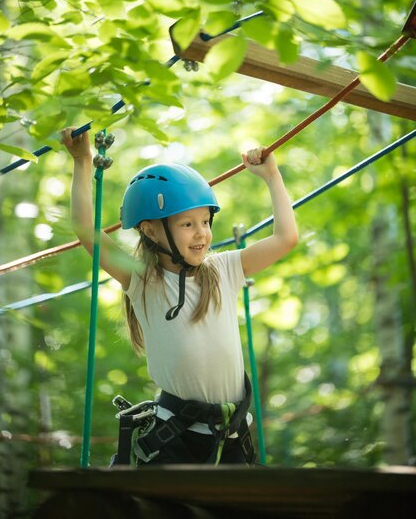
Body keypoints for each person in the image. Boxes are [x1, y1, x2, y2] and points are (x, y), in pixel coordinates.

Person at [61, 127, 298, 466]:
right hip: (177, 438)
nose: (202, 233)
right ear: (150, 229)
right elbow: (86, 229)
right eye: (187, 224)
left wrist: (272, 176)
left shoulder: (223, 270)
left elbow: (286, 238)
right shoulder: (143, 282)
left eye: (205, 220)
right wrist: (83, 161)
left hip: (233, 436)